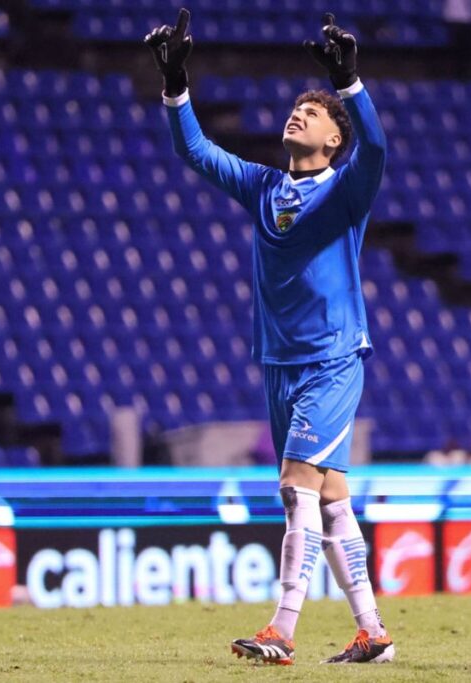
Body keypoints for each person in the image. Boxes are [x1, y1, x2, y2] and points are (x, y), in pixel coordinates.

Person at [145, 9, 392, 665]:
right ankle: (372, 632)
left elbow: (379, 151)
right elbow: (194, 151)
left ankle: (281, 628)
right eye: (296, 109)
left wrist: (350, 87)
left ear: (335, 141)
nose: (298, 116)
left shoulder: (345, 192)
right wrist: (177, 85)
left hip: (332, 359)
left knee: (293, 484)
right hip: (278, 362)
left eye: (314, 115)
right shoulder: (264, 187)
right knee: (332, 497)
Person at [443, 0, 471, 79]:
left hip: (468, 20)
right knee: (454, 50)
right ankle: (453, 75)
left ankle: (464, 75)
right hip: (453, 19)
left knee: (466, 51)